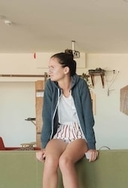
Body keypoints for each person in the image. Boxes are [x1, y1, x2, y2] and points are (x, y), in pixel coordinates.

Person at [36, 52, 98, 188]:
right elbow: (47, 117)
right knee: (50, 160)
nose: (49, 71)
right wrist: (44, 147)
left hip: (79, 133)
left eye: (53, 67)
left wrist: (92, 146)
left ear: (66, 70)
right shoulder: (50, 87)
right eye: (49, 67)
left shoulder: (81, 85)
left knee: (64, 161)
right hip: (60, 132)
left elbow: (88, 117)